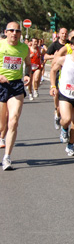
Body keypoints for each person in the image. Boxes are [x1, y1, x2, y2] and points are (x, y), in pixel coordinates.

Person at [0, 22, 31, 170]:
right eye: (11, 30)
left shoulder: (24, 48)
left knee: (13, 120)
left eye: (17, 31)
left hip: (16, 86)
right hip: (0, 85)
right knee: (2, 125)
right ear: (6, 32)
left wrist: (26, 75)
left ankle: (7, 157)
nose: (14, 33)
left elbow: (28, 64)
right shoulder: (0, 45)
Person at [44, 27, 68, 129]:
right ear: (59, 34)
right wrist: (55, 57)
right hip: (57, 71)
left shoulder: (69, 45)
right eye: (62, 33)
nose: (64, 35)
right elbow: (45, 56)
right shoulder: (54, 45)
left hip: (67, 74)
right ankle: (56, 110)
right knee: (57, 94)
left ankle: (62, 116)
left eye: (65, 34)